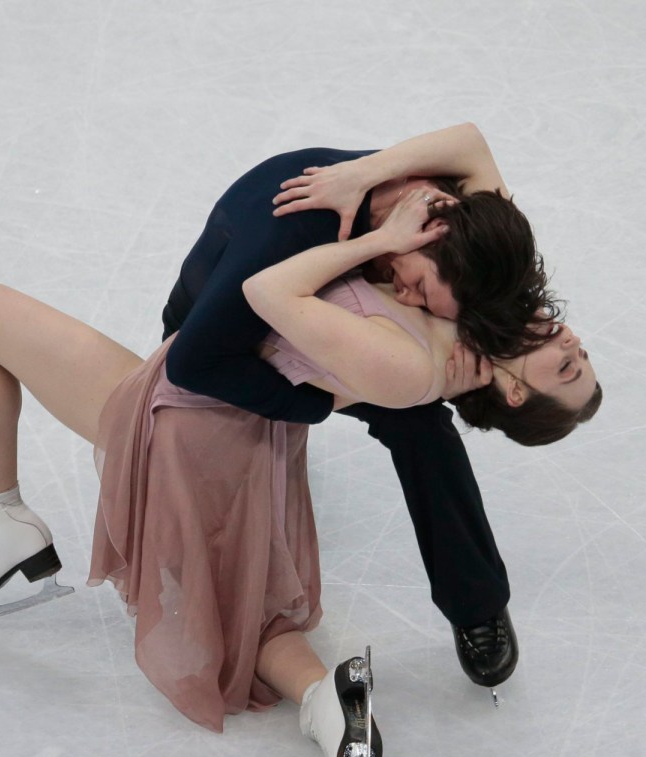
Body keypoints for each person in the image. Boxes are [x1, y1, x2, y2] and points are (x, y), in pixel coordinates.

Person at [0, 191, 600, 757]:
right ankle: (323, 701)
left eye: (567, 366)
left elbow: (268, 292)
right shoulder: (466, 302)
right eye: (581, 350)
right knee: (244, 611)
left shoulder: (420, 364)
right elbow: (471, 152)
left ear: (515, 392)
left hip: (187, 409)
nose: (570, 341)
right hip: (240, 429)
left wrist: (375, 240)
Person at [160, 123, 582, 697]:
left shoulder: (467, 224)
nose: (413, 301)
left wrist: (365, 173)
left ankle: (476, 602)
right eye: (428, 295)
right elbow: (194, 362)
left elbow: (470, 146)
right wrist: (328, 399)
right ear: (420, 235)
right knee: (406, 404)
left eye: (429, 305)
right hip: (234, 345)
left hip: (328, 307)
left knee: (422, 423)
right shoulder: (295, 235)